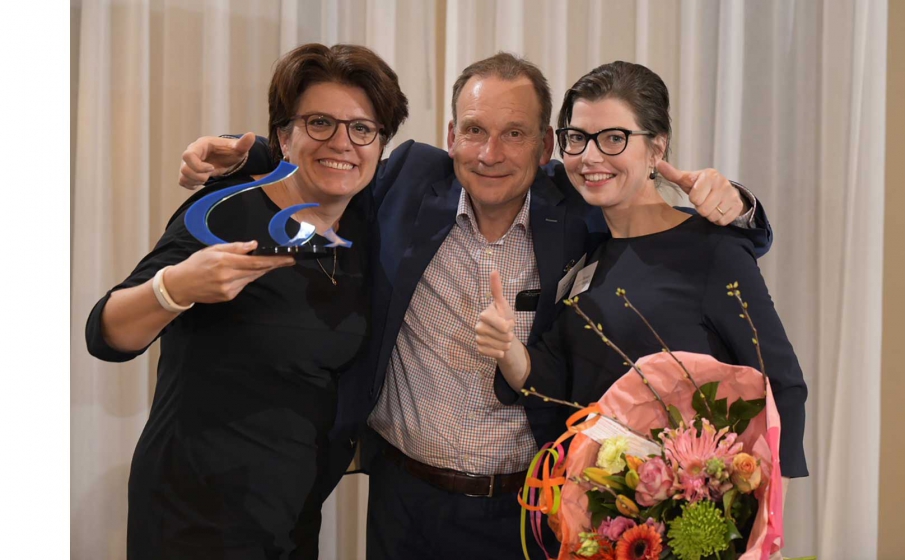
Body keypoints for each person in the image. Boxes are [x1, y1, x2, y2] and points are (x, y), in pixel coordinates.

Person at [178, 53, 774, 559]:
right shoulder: (409, 181)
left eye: (515, 133)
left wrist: (739, 206)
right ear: (449, 137)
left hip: (528, 508)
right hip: (402, 500)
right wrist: (251, 151)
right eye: (473, 130)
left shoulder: (578, 207)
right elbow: (338, 160)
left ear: (546, 147)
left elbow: (670, 227)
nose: (491, 153)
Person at [85, 43, 408, 559]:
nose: (342, 142)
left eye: (362, 128)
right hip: (193, 518)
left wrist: (245, 144)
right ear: (285, 134)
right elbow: (106, 333)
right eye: (320, 122)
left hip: (292, 518)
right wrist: (175, 288)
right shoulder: (225, 213)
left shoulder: (367, 224)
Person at [474, 62, 808, 547]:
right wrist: (506, 347)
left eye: (613, 138)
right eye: (577, 138)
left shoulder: (712, 249)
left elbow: (782, 386)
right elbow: (555, 381)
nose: (591, 156)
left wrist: (764, 527)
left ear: (657, 146)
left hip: (694, 525)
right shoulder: (587, 255)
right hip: (604, 528)